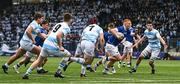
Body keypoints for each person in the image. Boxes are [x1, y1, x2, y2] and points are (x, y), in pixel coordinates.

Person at [22, 13, 72, 79]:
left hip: (46, 43)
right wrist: (60, 46)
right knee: (68, 55)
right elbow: (58, 35)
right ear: (70, 20)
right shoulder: (67, 27)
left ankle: (27, 73)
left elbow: (53, 33)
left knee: (39, 60)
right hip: (52, 45)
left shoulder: (59, 24)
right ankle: (58, 72)